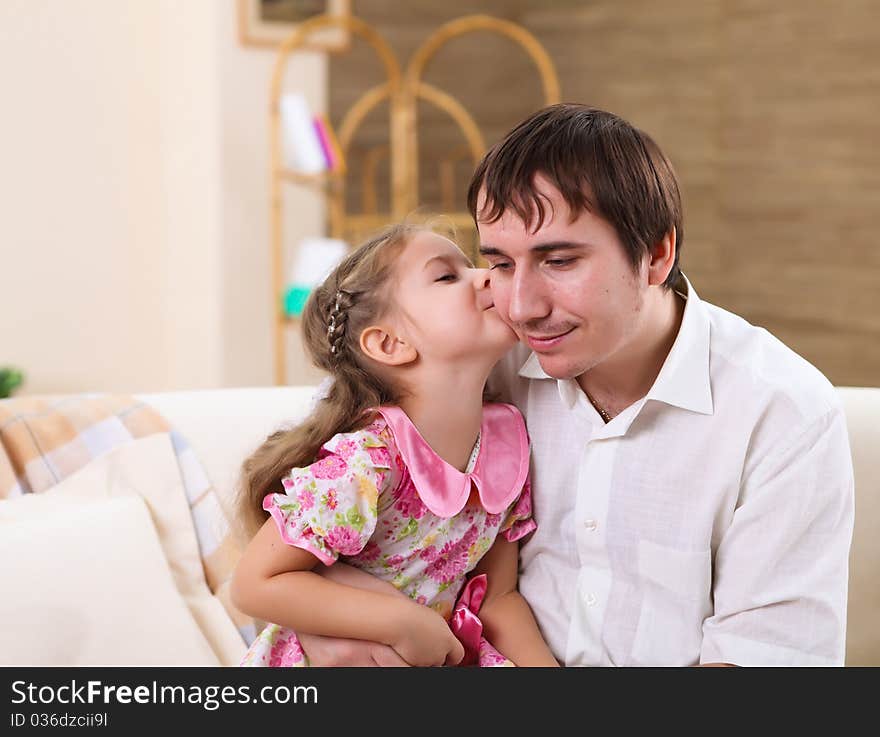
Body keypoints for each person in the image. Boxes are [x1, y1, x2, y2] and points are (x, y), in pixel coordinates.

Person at [298, 104, 855, 667]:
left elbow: (766, 657)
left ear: (656, 254)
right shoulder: (477, 361)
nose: (521, 307)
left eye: (559, 261)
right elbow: (310, 494)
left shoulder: (781, 411)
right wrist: (348, 616)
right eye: (502, 264)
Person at [230, 222, 559, 667]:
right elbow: (254, 583)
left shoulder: (506, 444)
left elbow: (498, 596)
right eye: (447, 276)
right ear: (390, 343)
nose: (486, 275)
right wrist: (403, 621)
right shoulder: (366, 462)